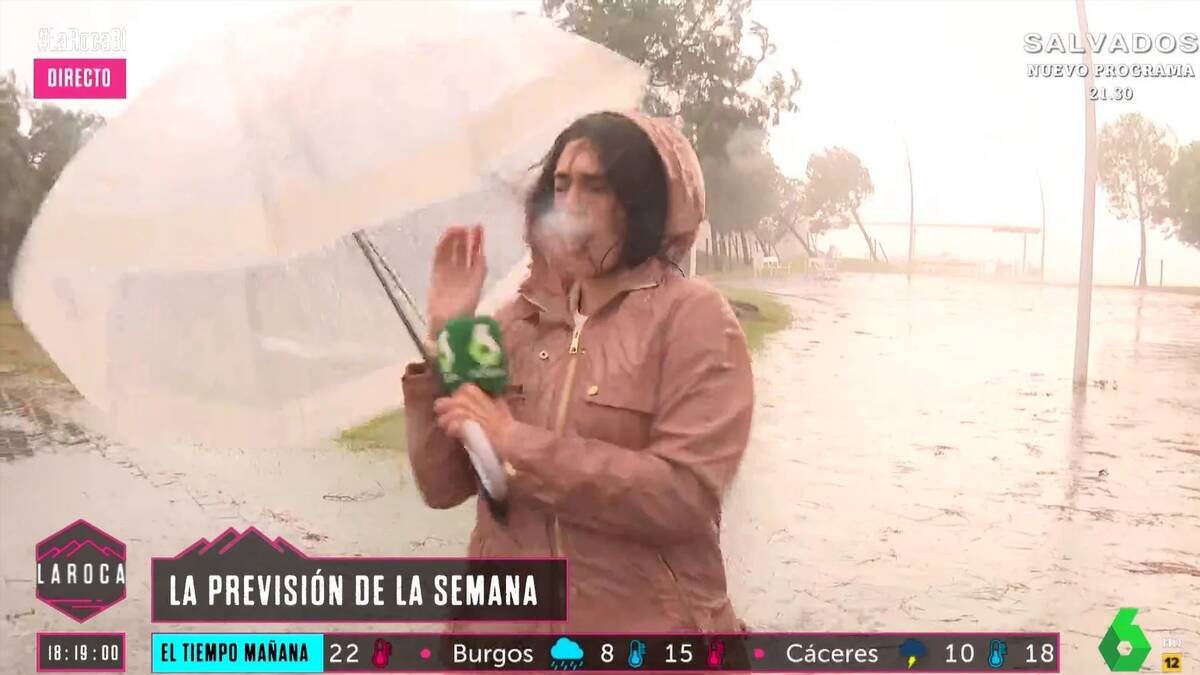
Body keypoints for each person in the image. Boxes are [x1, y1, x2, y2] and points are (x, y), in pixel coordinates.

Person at [402, 110, 754, 631]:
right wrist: (447, 337)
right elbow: (445, 485)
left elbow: (680, 497)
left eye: (596, 186)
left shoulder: (693, 318)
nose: (570, 203)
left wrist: (515, 442)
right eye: (561, 184)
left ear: (641, 203)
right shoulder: (514, 322)